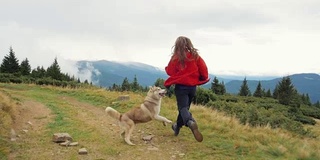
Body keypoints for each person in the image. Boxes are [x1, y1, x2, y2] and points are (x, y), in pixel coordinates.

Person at [164, 36, 210, 142]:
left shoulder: (176, 57)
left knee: (183, 109)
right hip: (192, 88)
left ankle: (190, 121)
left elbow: (170, 71)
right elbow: (204, 70)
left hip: (181, 87)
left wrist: (168, 68)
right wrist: (201, 78)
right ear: (189, 44)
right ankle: (176, 126)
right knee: (185, 109)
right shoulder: (195, 56)